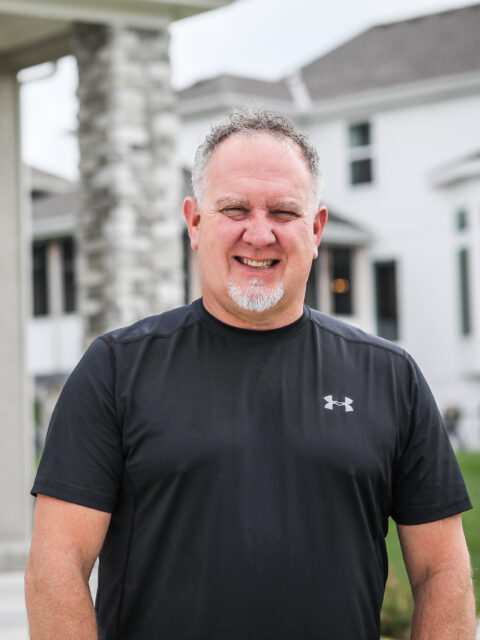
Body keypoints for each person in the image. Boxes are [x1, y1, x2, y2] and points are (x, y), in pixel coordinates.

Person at [25, 107, 475, 639]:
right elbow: (55, 569)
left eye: (283, 212)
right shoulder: (117, 369)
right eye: (235, 209)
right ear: (194, 222)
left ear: (317, 228)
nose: (259, 234)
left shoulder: (389, 377)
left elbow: (441, 570)